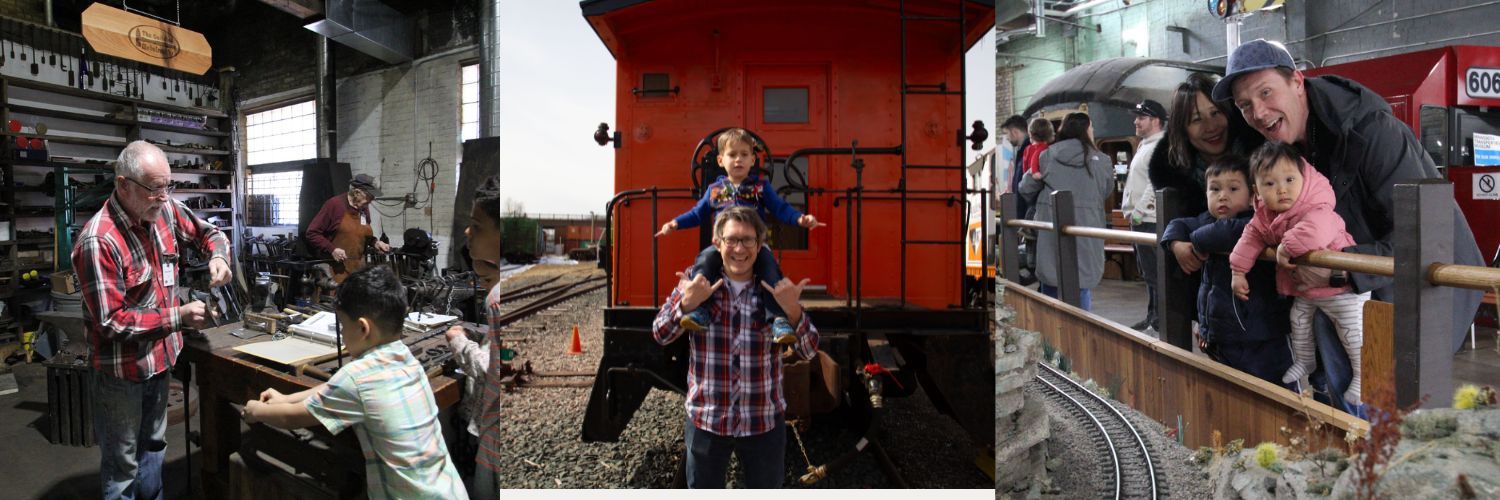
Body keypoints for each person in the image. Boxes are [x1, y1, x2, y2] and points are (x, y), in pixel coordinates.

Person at [1216, 39, 1483, 414]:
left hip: (1416, 288)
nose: (1258, 113)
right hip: (1348, 289)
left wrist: (1339, 270)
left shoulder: (1371, 132)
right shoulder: (1285, 143)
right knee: (1351, 403)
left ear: (1297, 81)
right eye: (1245, 105)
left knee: (1392, 414)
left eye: (1265, 93)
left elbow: (1427, 239)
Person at [72, 141, 231, 499]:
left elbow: (210, 233)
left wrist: (218, 256)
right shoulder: (99, 241)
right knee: (123, 467)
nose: (163, 197)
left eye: (168, 186)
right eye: (154, 188)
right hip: (121, 373)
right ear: (123, 184)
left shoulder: (166, 211)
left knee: (154, 449)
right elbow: (110, 322)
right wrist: (178, 317)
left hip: (160, 362)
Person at [242, 266, 467, 499]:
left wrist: (256, 411)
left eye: (342, 325)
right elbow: (336, 388)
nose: (342, 332)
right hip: (448, 489)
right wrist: (286, 397)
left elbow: (292, 418)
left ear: (362, 328)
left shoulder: (358, 377)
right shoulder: (404, 357)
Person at [653, 206, 819, 489]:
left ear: (760, 245)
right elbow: (660, 333)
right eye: (731, 240)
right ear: (717, 244)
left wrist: (793, 311)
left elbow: (809, 350)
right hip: (707, 420)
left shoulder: (776, 287)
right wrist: (685, 305)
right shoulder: (695, 281)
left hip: (763, 422)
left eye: (747, 240)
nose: (739, 248)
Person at [1229, 142, 1370, 406]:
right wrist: (1238, 271)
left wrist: (1286, 246)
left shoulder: (1318, 207)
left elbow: (1314, 234)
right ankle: (1305, 362)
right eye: (1269, 184)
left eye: (1289, 179)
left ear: (1303, 180)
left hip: (1342, 289)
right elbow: (1250, 237)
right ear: (1257, 191)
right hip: (1308, 291)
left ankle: (1362, 378)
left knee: (1353, 334)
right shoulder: (1265, 217)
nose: (1281, 189)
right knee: (1299, 323)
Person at [655, 128, 822, 344]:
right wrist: (675, 223)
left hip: (756, 245)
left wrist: (800, 219)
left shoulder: (761, 188)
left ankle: (778, 319)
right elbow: (698, 213)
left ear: (753, 159)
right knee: (704, 263)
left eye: (744, 154)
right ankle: (699, 311)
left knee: (770, 269)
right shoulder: (715, 190)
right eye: (732, 155)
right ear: (720, 160)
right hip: (721, 246)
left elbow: (780, 208)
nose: (738, 160)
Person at [1160, 155, 1294, 389]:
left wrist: (1197, 241)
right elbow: (1178, 224)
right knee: (1230, 391)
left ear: (1254, 194)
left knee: (1275, 391)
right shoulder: (1207, 220)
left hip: (1260, 335)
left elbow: (1227, 232)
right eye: (1214, 189)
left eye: (1233, 189)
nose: (1223, 196)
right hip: (1221, 335)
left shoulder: (1258, 222)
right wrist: (1175, 244)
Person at [1018, 112, 1113, 310]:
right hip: (1087, 229)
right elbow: (1106, 191)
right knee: (1081, 285)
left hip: (1052, 227)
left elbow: (1025, 188)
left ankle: (1051, 335)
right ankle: (1080, 330)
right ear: (1087, 130)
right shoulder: (1102, 161)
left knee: (1051, 282)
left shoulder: (1047, 155)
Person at [444, 175, 502, 495]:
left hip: (496, 436)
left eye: (477, 226)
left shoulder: (498, 298)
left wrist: (459, 342)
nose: (468, 232)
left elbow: (491, 369)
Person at [1121, 99, 1167, 333]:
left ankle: (1160, 321)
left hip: (1149, 220)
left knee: (1155, 273)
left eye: (1141, 117)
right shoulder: (1145, 144)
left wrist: (1139, 212)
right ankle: (1152, 316)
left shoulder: (1160, 145)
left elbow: (1155, 182)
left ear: (1156, 121)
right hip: (1139, 220)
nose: (1136, 121)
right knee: (1148, 272)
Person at [305, 173, 393, 271]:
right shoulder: (334, 205)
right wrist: (332, 249)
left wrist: (376, 243)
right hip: (336, 269)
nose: (371, 200)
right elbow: (312, 233)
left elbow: (363, 236)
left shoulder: (364, 208)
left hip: (358, 269)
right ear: (356, 193)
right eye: (369, 196)